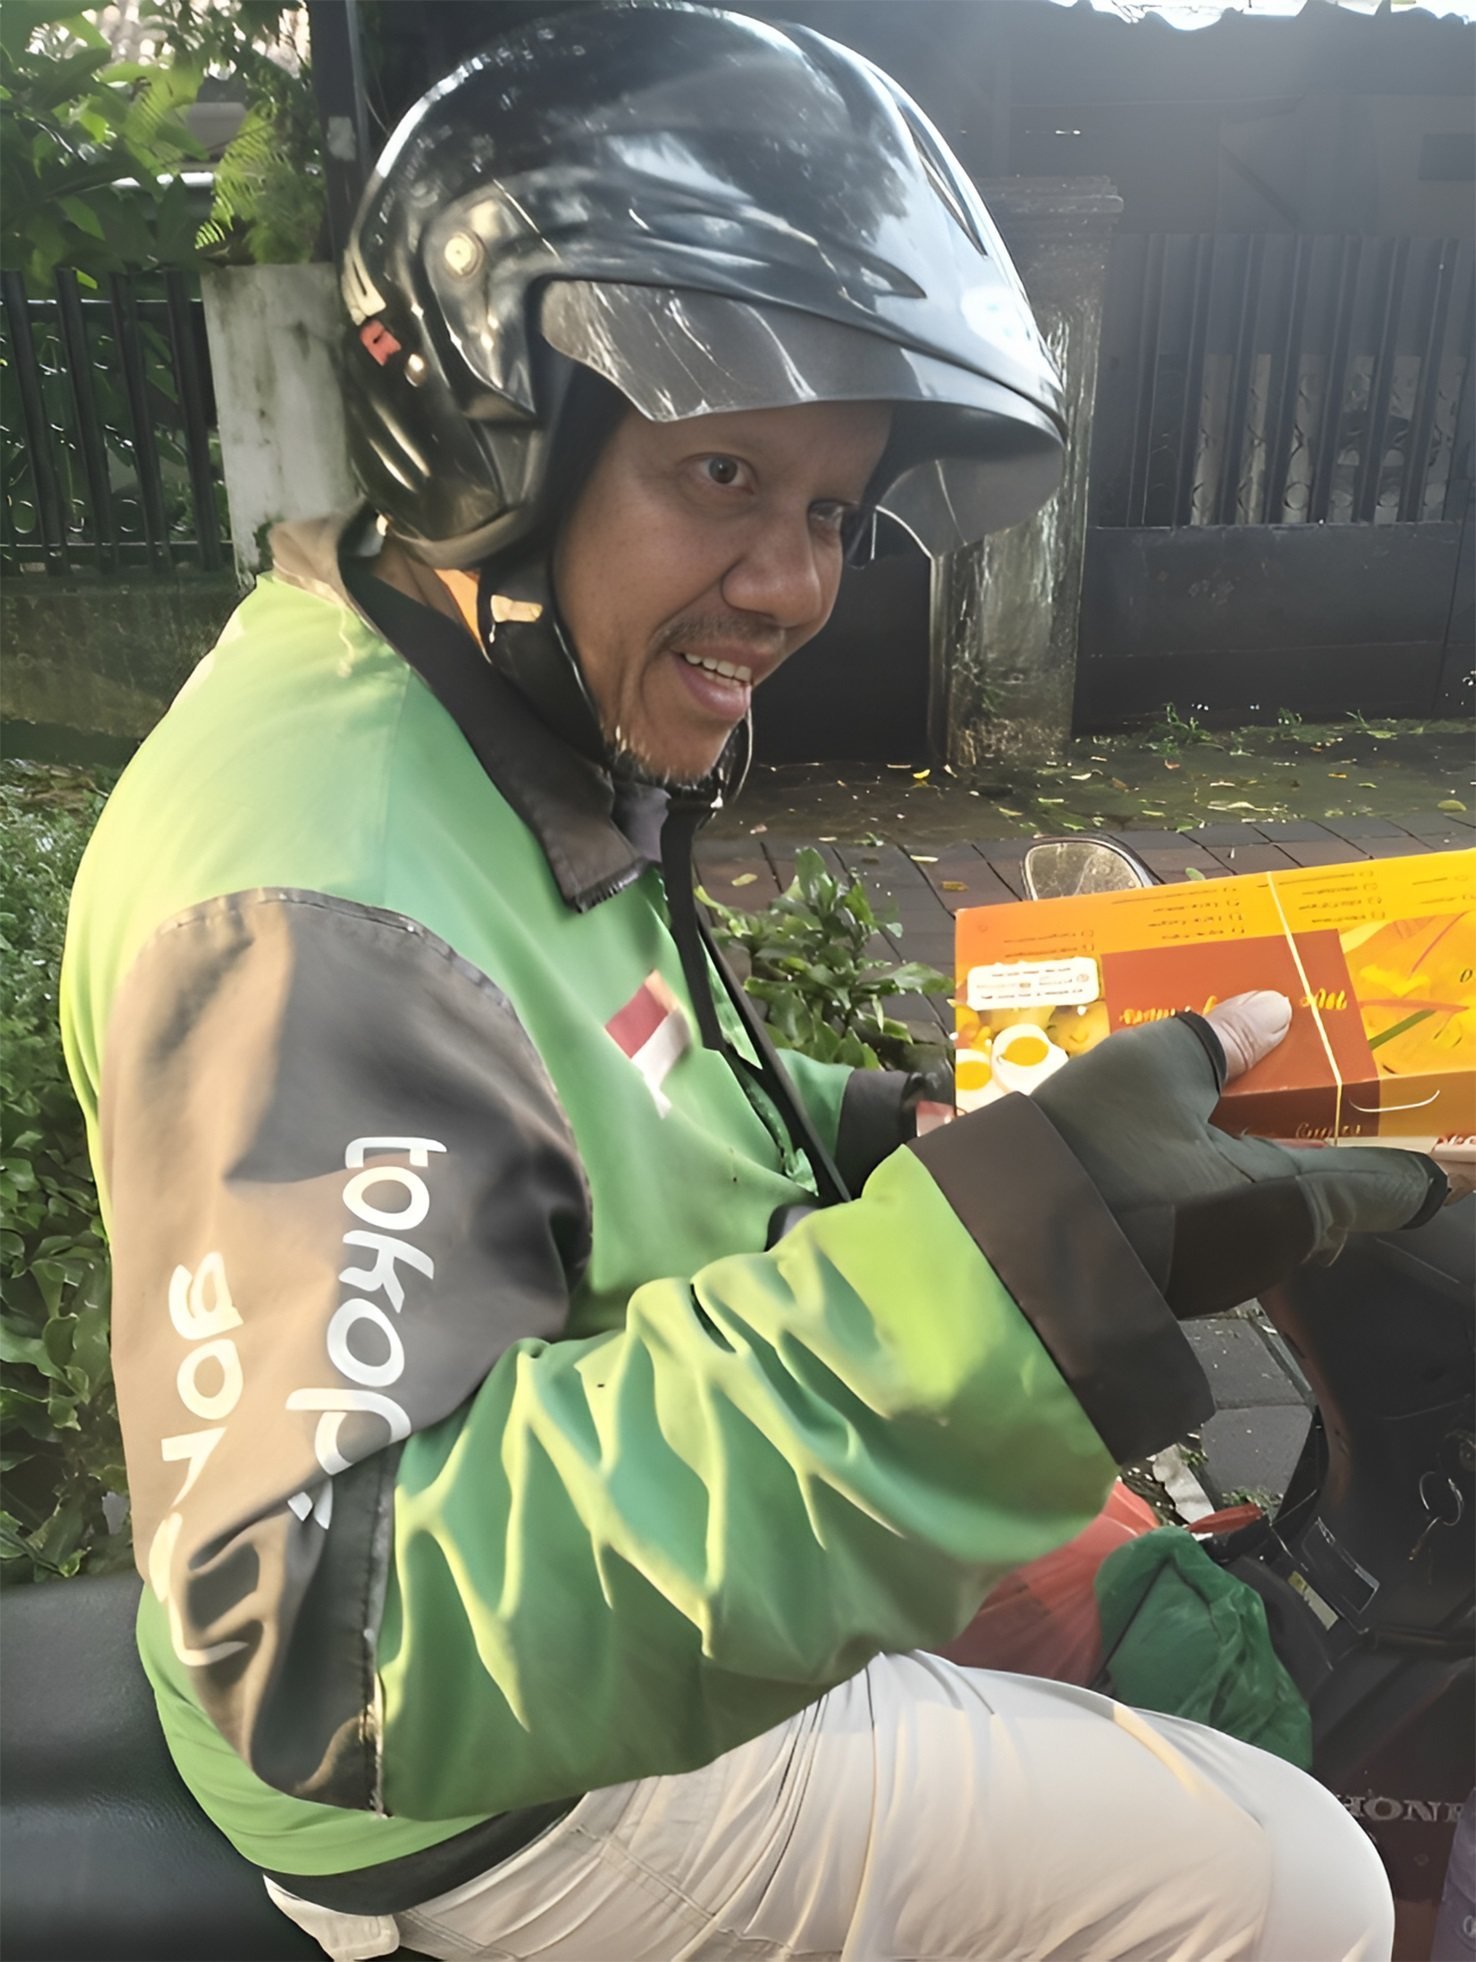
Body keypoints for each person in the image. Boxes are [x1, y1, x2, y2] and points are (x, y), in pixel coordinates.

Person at [61, 9, 1457, 1959]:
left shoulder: (469, 713)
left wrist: (896, 1131)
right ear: (490, 429)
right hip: (490, 1795)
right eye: (724, 475)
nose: (797, 586)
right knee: (1296, 1880)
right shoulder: (316, 910)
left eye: (825, 508)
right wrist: (1012, 1278)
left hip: (586, 1619)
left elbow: (592, 1091)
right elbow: (329, 1635)